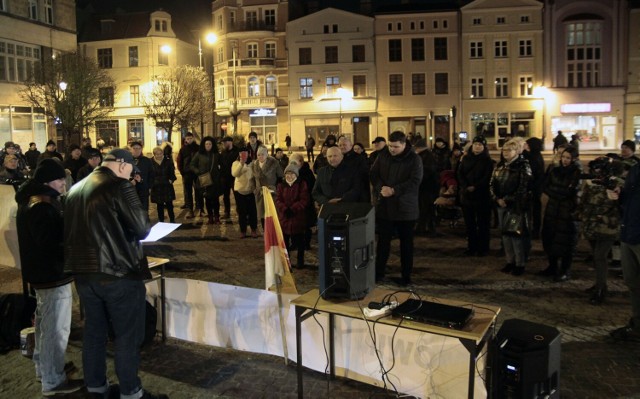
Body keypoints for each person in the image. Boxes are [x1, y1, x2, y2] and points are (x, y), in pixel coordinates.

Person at [64, 148, 167, 399]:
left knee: (94, 333)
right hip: (118, 272)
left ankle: (96, 387)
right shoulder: (119, 186)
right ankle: (131, 391)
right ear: (122, 165)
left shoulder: (75, 189)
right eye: (132, 169)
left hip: (84, 273)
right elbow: (142, 228)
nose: (132, 175)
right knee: (127, 336)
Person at [15, 159, 83, 396]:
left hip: (43, 275)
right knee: (56, 329)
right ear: (47, 182)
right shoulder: (42, 206)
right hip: (52, 275)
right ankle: (53, 381)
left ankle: (43, 369)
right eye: (59, 179)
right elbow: (51, 244)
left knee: (45, 325)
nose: (64, 183)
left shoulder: (34, 201)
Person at [371, 131, 423, 286]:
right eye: (390, 146)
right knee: (383, 243)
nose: (392, 149)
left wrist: (394, 190)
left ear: (404, 144)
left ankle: (406, 275)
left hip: (406, 209)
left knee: (406, 244)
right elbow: (373, 174)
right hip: (385, 207)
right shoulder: (383, 155)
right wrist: (382, 188)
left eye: (396, 146)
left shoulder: (414, 159)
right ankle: (379, 272)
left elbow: (415, 181)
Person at [579, 157, 625, 304]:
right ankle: (600, 284)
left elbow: (620, 205)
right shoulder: (592, 182)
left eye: (598, 169)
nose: (595, 171)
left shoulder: (617, 183)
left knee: (600, 256)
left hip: (608, 226)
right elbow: (584, 202)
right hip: (592, 225)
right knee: (596, 256)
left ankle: (601, 289)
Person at [490, 139, 532, 276]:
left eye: (509, 150)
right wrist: (496, 198)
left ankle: (520, 264)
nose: (506, 153)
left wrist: (507, 199)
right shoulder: (500, 166)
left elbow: (523, 188)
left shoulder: (523, 166)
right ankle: (510, 261)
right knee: (505, 235)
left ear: (516, 151)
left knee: (515, 235)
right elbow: (491, 184)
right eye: (504, 150)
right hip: (501, 205)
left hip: (515, 207)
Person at [539, 146, 581, 282]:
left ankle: (565, 270)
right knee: (550, 237)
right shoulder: (554, 170)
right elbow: (545, 186)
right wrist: (558, 192)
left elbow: (571, 192)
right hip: (552, 210)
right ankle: (552, 266)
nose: (565, 160)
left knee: (566, 241)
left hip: (567, 212)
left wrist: (556, 192)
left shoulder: (576, 173)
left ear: (574, 159)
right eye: (563, 157)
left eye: (568, 158)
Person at [610, 161, 640, 342]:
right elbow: (628, 199)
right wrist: (619, 195)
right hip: (629, 232)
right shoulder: (636, 169)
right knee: (633, 283)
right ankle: (637, 324)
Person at [457, 136, 494, 256]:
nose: (478, 146)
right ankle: (471, 247)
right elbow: (460, 173)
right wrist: (465, 186)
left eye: (480, 145)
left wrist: (475, 187)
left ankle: (483, 248)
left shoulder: (488, 161)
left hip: (482, 196)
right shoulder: (466, 158)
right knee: (470, 224)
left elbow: (487, 177)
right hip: (467, 196)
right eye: (476, 144)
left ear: (484, 147)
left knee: (483, 224)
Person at [276, 163, 309, 268]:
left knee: (300, 242)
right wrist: (285, 209)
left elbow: (304, 199)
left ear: (296, 174)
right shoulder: (281, 185)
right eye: (287, 173)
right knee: (284, 242)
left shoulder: (301, 184)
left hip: (297, 218)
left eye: (291, 173)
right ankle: (286, 261)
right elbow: (278, 199)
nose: (289, 176)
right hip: (284, 218)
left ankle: (300, 261)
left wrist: (294, 208)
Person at [190, 136, 222, 225]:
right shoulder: (199, 154)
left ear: (212, 145)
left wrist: (219, 174)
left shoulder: (216, 154)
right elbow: (192, 165)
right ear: (204, 145)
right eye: (206, 144)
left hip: (214, 181)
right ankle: (210, 217)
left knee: (215, 200)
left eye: (210, 144)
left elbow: (221, 165)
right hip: (204, 180)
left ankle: (217, 217)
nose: (208, 145)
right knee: (207, 200)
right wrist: (198, 172)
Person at [252, 145, 283, 228]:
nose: (260, 156)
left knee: (272, 212)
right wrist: (254, 189)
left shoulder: (274, 163)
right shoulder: (254, 164)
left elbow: (280, 176)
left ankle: (273, 231)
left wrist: (276, 188)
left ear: (266, 155)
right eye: (258, 155)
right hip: (260, 193)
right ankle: (265, 232)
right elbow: (252, 179)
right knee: (262, 213)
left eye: (262, 154)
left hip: (271, 192)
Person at [290, 153, 316, 249]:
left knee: (306, 224)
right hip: (293, 202)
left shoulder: (307, 172)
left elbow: (311, 187)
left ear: (300, 162)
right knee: (293, 223)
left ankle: (306, 243)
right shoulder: (290, 171)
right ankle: (294, 243)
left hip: (305, 203)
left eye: (294, 162)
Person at [414, 145, 440, 237]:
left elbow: (428, 171)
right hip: (428, 187)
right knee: (426, 208)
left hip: (427, 187)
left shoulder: (426, 157)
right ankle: (426, 228)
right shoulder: (426, 156)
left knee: (426, 208)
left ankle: (427, 228)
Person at [232, 150, 258, 238]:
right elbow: (235, 174)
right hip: (240, 191)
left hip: (250, 191)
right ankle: (243, 231)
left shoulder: (253, 163)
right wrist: (241, 163)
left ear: (249, 154)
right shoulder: (236, 163)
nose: (243, 155)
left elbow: (256, 176)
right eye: (241, 153)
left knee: (252, 212)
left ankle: (253, 230)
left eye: (245, 153)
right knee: (242, 212)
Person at [176, 133, 202, 218]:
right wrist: (182, 172)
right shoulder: (183, 149)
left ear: (193, 138)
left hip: (196, 173)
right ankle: (190, 209)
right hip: (187, 173)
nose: (189, 140)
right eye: (188, 138)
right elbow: (179, 161)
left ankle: (199, 206)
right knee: (188, 192)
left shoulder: (198, 148)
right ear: (185, 139)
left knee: (198, 190)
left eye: (191, 138)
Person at [524, 138, 545, 239]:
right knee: (535, 210)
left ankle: (535, 231)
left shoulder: (534, 157)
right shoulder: (536, 155)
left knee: (534, 210)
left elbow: (536, 174)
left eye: (527, 144)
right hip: (536, 188)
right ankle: (535, 230)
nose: (526, 145)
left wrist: (532, 188)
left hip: (534, 188)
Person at [150, 146, 177, 223]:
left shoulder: (168, 161)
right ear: (154, 154)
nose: (159, 155)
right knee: (159, 205)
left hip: (167, 186)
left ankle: (172, 219)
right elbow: (149, 174)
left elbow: (172, 173)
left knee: (169, 204)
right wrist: (152, 183)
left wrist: (171, 180)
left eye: (160, 153)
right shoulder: (150, 162)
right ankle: (161, 220)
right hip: (156, 186)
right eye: (157, 154)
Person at [129, 141, 154, 211]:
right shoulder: (126, 160)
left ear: (141, 149)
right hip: (130, 190)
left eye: (138, 148)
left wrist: (149, 186)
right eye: (134, 148)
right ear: (131, 149)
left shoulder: (147, 161)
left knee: (144, 210)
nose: (136, 150)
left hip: (143, 190)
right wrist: (130, 180)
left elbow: (152, 175)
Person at [219, 137, 239, 220]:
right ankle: (227, 212)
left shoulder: (237, 151)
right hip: (225, 177)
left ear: (230, 142)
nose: (223, 144)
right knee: (225, 196)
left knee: (237, 195)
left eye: (225, 142)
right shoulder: (223, 152)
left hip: (234, 177)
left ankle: (239, 211)